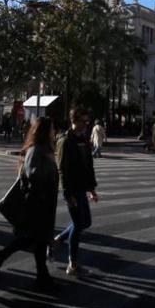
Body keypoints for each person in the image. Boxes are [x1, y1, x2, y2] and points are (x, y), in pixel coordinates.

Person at [0, 117, 59, 291]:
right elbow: (34, 176)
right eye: (51, 129)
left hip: (44, 202)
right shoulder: (36, 151)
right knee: (36, 239)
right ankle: (41, 276)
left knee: (34, 239)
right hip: (37, 203)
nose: (54, 131)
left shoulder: (44, 150)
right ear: (44, 131)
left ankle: (0, 257)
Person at [49, 108, 99, 276]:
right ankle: (73, 264)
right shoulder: (65, 141)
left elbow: (88, 165)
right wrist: (67, 194)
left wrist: (91, 188)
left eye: (87, 121)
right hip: (72, 188)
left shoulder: (83, 139)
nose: (86, 124)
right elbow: (62, 169)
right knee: (78, 224)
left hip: (81, 187)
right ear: (74, 121)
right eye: (83, 121)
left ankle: (57, 240)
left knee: (86, 222)